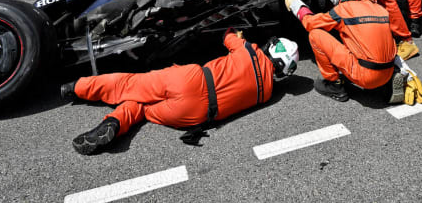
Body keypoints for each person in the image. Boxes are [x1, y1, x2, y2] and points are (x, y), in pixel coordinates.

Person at [61, 29, 299, 154]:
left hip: (191, 80)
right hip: (195, 115)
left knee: (129, 85)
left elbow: (227, 35)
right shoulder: (266, 93)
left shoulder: (250, 50)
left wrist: (238, 34)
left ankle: (75, 88)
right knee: (142, 108)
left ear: (273, 49)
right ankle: (113, 122)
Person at [284, 0, 396, 102]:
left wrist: (296, 5)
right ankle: (386, 83)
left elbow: (310, 23)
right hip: (387, 72)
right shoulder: (382, 11)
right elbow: (350, 7)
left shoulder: (345, 9)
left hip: (365, 76)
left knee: (315, 34)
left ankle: (334, 84)